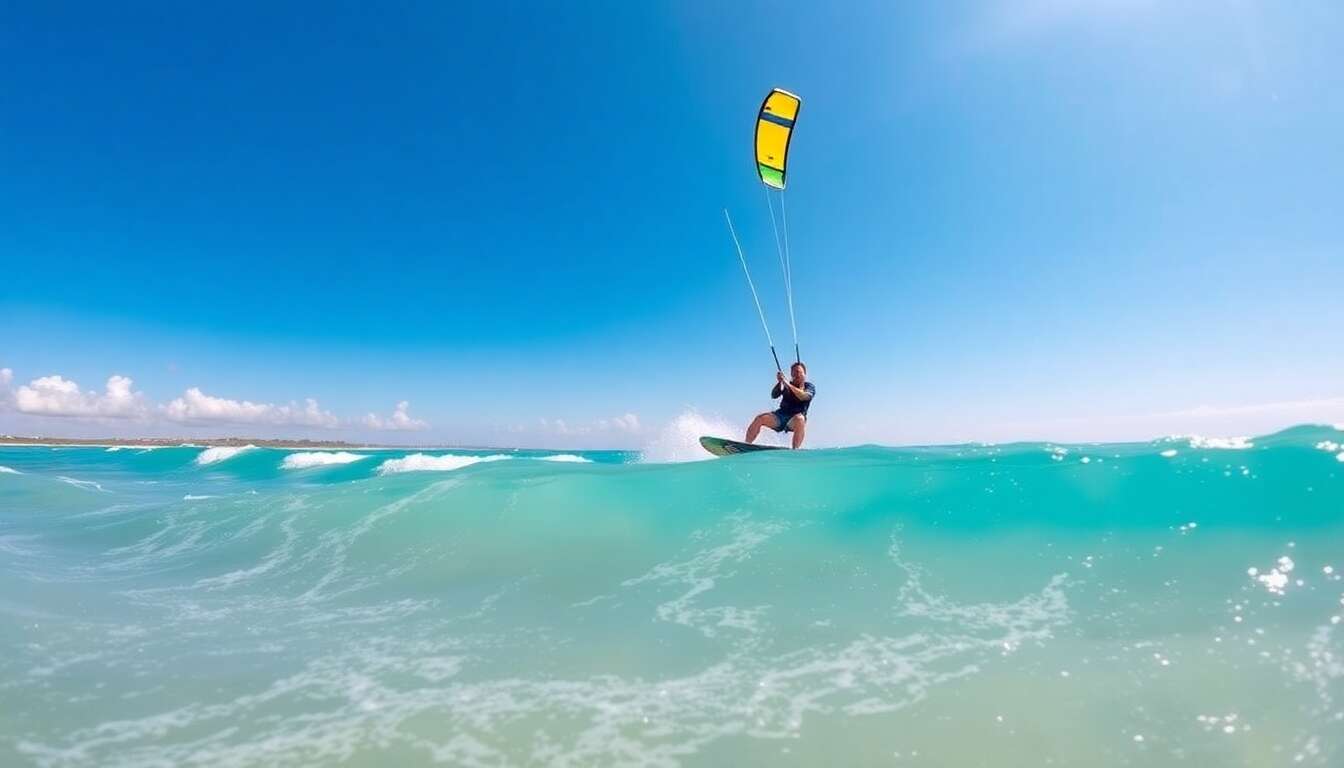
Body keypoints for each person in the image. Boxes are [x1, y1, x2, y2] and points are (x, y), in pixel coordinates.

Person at [745, 361, 815, 449]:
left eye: (798, 372)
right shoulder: (786, 384)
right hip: (780, 417)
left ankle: (795, 450)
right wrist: (780, 382)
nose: (795, 375)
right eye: (793, 372)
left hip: (794, 421)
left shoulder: (809, 387)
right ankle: (746, 445)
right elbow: (773, 395)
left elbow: (803, 396)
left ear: (804, 374)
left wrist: (788, 385)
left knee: (800, 419)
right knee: (760, 418)